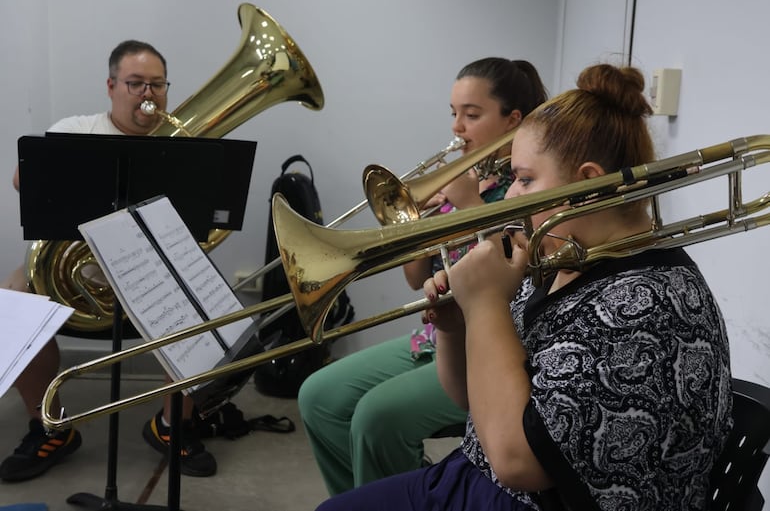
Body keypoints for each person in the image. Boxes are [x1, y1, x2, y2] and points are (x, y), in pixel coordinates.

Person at [313, 63, 733, 511]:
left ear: (589, 185)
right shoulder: (563, 260)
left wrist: (486, 305)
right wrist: (459, 327)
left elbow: (519, 462)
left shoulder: (642, 303)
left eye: (527, 179)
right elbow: (471, 402)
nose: (512, 197)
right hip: (479, 474)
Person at [297, 57, 548, 496]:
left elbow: (518, 273)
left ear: (513, 121)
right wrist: (409, 226)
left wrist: (469, 208)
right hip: (437, 338)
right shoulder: (465, 179)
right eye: (453, 113)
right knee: (317, 396)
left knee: (375, 418)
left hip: (492, 346)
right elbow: (417, 279)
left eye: (471, 115)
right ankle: (359, 500)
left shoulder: (527, 185)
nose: (457, 127)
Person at [0, 40, 217, 482]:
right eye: (135, 83)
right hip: (77, 279)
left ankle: (172, 426)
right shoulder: (79, 127)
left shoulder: (182, 146)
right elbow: (24, 179)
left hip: (152, 278)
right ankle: (51, 426)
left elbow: (206, 221)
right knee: (12, 299)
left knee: (207, 304)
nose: (147, 94)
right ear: (112, 86)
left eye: (157, 84)